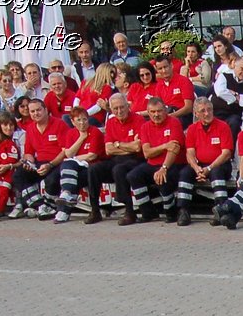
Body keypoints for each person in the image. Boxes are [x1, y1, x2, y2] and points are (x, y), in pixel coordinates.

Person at [119, 95, 183, 224]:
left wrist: (164, 168)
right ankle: (148, 212)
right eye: (153, 112)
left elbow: (174, 150)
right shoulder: (145, 127)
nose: (156, 115)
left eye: (159, 111)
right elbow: (147, 153)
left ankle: (171, 212)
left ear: (165, 110)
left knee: (163, 178)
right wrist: (165, 145)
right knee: (133, 176)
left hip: (173, 164)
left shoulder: (174, 122)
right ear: (148, 113)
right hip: (152, 163)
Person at [172, 96, 232, 225]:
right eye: (203, 111)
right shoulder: (192, 129)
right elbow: (190, 152)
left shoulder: (223, 126)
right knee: (185, 173)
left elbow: (226, 153)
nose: (207, 113)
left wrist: (208, 168)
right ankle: (183, 211)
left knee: (216, 172)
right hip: (200, 165)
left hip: (220, 164)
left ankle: (221, 210)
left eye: (209, 110)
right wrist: (196, 168)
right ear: (196, 114)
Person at [93, 93, 143, 225]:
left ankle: (129, 212)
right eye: (115, 109)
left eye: (122, 107)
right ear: (111, 109)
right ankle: (95, 210)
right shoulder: (110, 122)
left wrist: (117, 144)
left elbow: (137, 147)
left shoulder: (138, 120)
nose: (119, 111)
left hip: (135, 159)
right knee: (94, 169)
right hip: (116, 158)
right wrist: (126, 146)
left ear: (128, 106)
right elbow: (108, 149)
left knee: (119, 170)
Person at [52, 106, 104, 223]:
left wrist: (74, 158)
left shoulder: (95, 131)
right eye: (78, 120)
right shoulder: (71, 133)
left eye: (85, 119)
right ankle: (66, 198)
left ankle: (64, 207)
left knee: (69, 167)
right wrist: (81, 138)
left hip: (92, 167)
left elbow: (92, 155)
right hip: (76, 168)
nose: (82, 123)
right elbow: (68, 153)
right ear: (72, 121)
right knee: (70, 173)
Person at [212, 52, 243, 134]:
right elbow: (220, 92)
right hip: (216, 112)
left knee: (234, 122)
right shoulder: (224, 76)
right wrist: (240, 99)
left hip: (233, 116)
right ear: (235, 65)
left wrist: (236, 95)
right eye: (242, 69)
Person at [153, 55, 196, 125]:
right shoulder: (159, 85)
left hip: (182, 117)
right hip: (165, 115)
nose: (163, 71)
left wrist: (170, 116)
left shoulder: (184, 81)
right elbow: (157, 106)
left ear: (171, 66)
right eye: (160, 68)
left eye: (165, 67)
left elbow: (188, 107)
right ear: (157, 70)